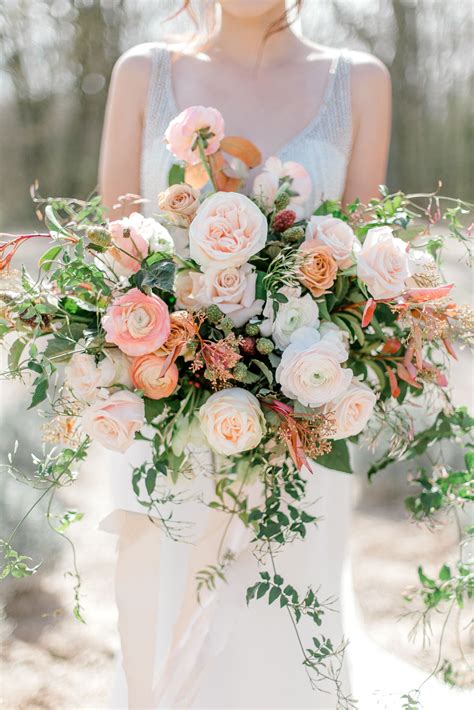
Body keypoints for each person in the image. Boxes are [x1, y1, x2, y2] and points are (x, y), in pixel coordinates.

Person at [98, 1, 391, 708]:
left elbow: (361, 281)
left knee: (288, 627)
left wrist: (294, 377)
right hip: (165, 411)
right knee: (164, 622)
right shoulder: (144, 72)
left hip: (302, 422)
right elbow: (117, 251)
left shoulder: (359, 81)